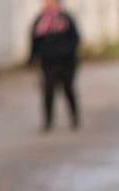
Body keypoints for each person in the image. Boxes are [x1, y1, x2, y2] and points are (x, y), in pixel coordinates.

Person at [28, 0, 81, 132]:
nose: (46, 3)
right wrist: (32, 58)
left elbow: (76, 39)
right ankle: (48, 121)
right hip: (48, 62)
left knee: (68, 89)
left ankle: (74, 118)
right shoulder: (40, 20)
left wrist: (66, 52)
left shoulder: (66, 19)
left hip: (66, 62)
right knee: (48, 91)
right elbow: (34, 41)